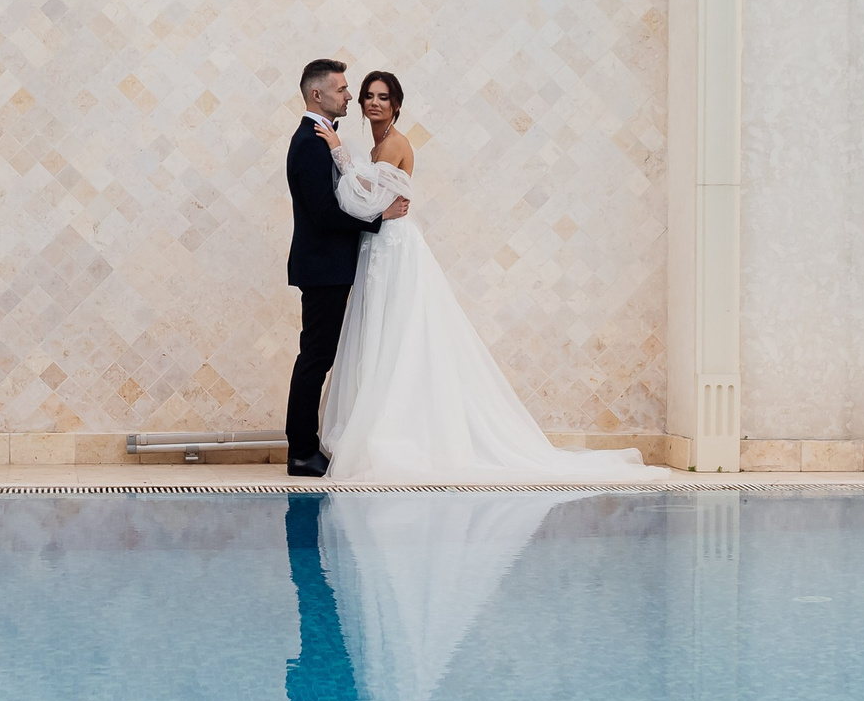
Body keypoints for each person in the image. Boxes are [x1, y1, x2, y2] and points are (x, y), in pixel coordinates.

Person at [310, 69, 675, 483]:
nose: (374, 102)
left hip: (395, 249)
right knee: (375, 336)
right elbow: (371, 204)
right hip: (376, 248)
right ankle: (375, 421)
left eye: (383, 97)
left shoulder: (395, 144)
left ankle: (399, 431)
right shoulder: (375, 146)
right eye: (368, 96)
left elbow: (365, 199)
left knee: (399, 333)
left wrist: (340, 155)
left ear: (396, 105)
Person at [282, 58, 405, 477]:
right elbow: (322, 214)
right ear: (317, 94)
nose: (350, 96)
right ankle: (300, 450)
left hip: (330, 266)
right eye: (343, 89)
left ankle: (306, 445)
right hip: (323, 267)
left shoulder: (323, 139)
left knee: (320, 356)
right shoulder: (310, 142)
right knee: (315, 357)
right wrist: (379, 217)